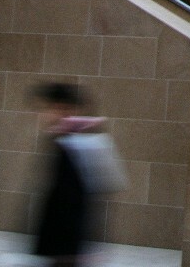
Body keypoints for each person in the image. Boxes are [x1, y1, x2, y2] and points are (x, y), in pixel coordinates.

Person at [31, 83, 125, 267]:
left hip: (67, 231)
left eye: (52, 108)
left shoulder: (76, 141)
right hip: (63, 231)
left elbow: (74, 193)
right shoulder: (64, 137)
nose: (46, 114)